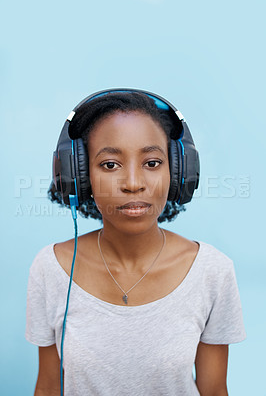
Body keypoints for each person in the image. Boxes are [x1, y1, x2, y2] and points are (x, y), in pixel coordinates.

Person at [26, 90, 246, 396]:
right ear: (79, 175)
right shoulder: (50, 268)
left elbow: (214, 390)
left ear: (179, 171)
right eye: (110, 165)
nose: (133, 183)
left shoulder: (213, 271)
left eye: (153, 163)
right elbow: (48, 387)